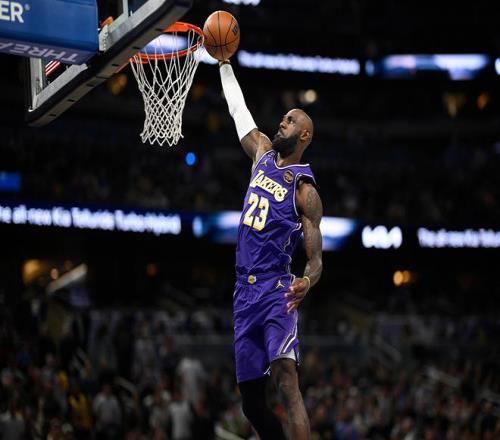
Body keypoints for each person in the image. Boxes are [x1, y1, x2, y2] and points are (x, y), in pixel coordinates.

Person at [218, 59, 323, 439]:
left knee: (286, 380)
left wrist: (307, 281)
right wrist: (224, 65)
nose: (282, 122)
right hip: (243, 292)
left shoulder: (304, 191)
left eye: (290, 121)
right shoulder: (261, 153)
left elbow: (315, 259)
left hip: (276, 289)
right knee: (250, 402)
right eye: (283, 118)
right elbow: (238, 110)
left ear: (304, 135)